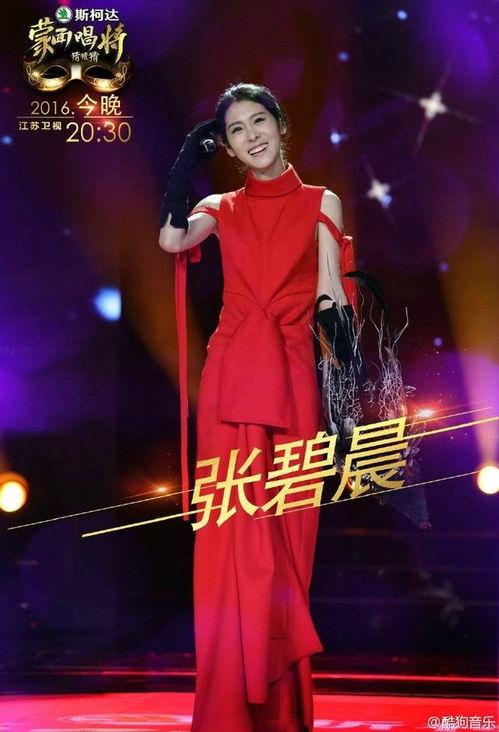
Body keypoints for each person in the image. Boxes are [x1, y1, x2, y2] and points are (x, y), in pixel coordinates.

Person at [158, 82, 361, 732]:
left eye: (258, 121)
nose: (251, 136)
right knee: (231, 543)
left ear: (280, 124)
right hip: (232, 382)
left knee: (286, 541)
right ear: (226, 147)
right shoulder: (220, 206)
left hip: (294, 378)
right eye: (236, 131)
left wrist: (345, 384)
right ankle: (227, 711)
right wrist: (184, 165)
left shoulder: (320, 200)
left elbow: (331, 293)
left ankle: (278, 712)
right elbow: (171, 241)